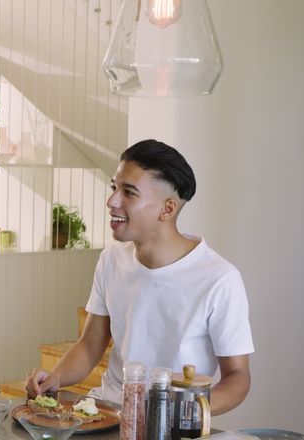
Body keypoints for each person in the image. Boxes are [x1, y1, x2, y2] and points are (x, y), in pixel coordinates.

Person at [25, 140, 253, 415]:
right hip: (108, 412)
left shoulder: (219, 279)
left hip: (172, 427)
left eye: (129, 193)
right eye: (114, 188)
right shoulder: (111, 260)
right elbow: (90, 344)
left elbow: (237, 378)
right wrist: (55, 378)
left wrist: (183, 413)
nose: (112, 201)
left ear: (167, 209)